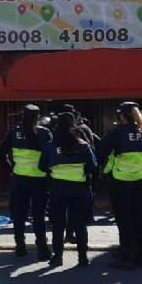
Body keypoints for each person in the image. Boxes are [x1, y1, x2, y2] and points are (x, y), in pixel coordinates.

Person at [98, 102, 142, 269]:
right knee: (139, 217)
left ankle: (126, 256)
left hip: (121, 180)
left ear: (121, 116)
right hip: (139, 180)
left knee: (125, 220)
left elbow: (101, 149)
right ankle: (141, 255)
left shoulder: (118, 133)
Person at [39, 112, 97, 267]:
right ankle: (83, 258)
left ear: (57, 126)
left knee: (58, 225)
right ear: (73, 126)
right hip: (79, 191)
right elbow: (93, 166)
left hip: (58, 190)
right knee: (80, 225)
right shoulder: (83, 145)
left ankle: (57, 258)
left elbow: (41, 166)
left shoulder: (51, 146)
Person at [0, 104, 53, 260]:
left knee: (19, 214)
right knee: (38, 215)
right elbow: (51, 156)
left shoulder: (14, 132)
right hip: (39, 181)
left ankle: (20, 246)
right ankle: (42, 248)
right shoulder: (44, 133)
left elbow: (1, 152)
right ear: (37, 118)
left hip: (19, 179)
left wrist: (10, 168)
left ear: (22, 116)